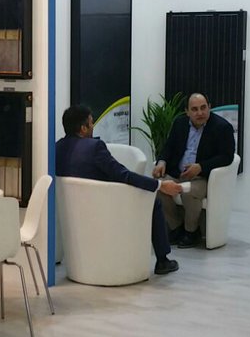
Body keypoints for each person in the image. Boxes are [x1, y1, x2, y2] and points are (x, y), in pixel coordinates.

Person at [55, 105, 184, 275]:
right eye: (91, 123)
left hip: (74, 210)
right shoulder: (95, 147)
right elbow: (123, 175)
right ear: (83, 128)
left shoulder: (57, 148)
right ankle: (162, 261)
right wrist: (160, 185)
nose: (93, 127)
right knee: (154, 203)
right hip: (105, 206)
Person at [153, 93, 235, 249]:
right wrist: (161, 162)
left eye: (203, 108)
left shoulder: (222, 127)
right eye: (195, 109)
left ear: (209, 107)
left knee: (189, 192)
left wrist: (201, 166)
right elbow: (168, 147)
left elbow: (227, 157)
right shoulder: (179, 123)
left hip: (202, 177)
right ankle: (176, 228)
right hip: (177, 173)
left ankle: (191, 231)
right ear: (187, 112)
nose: (200, 113)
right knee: (158, 187)